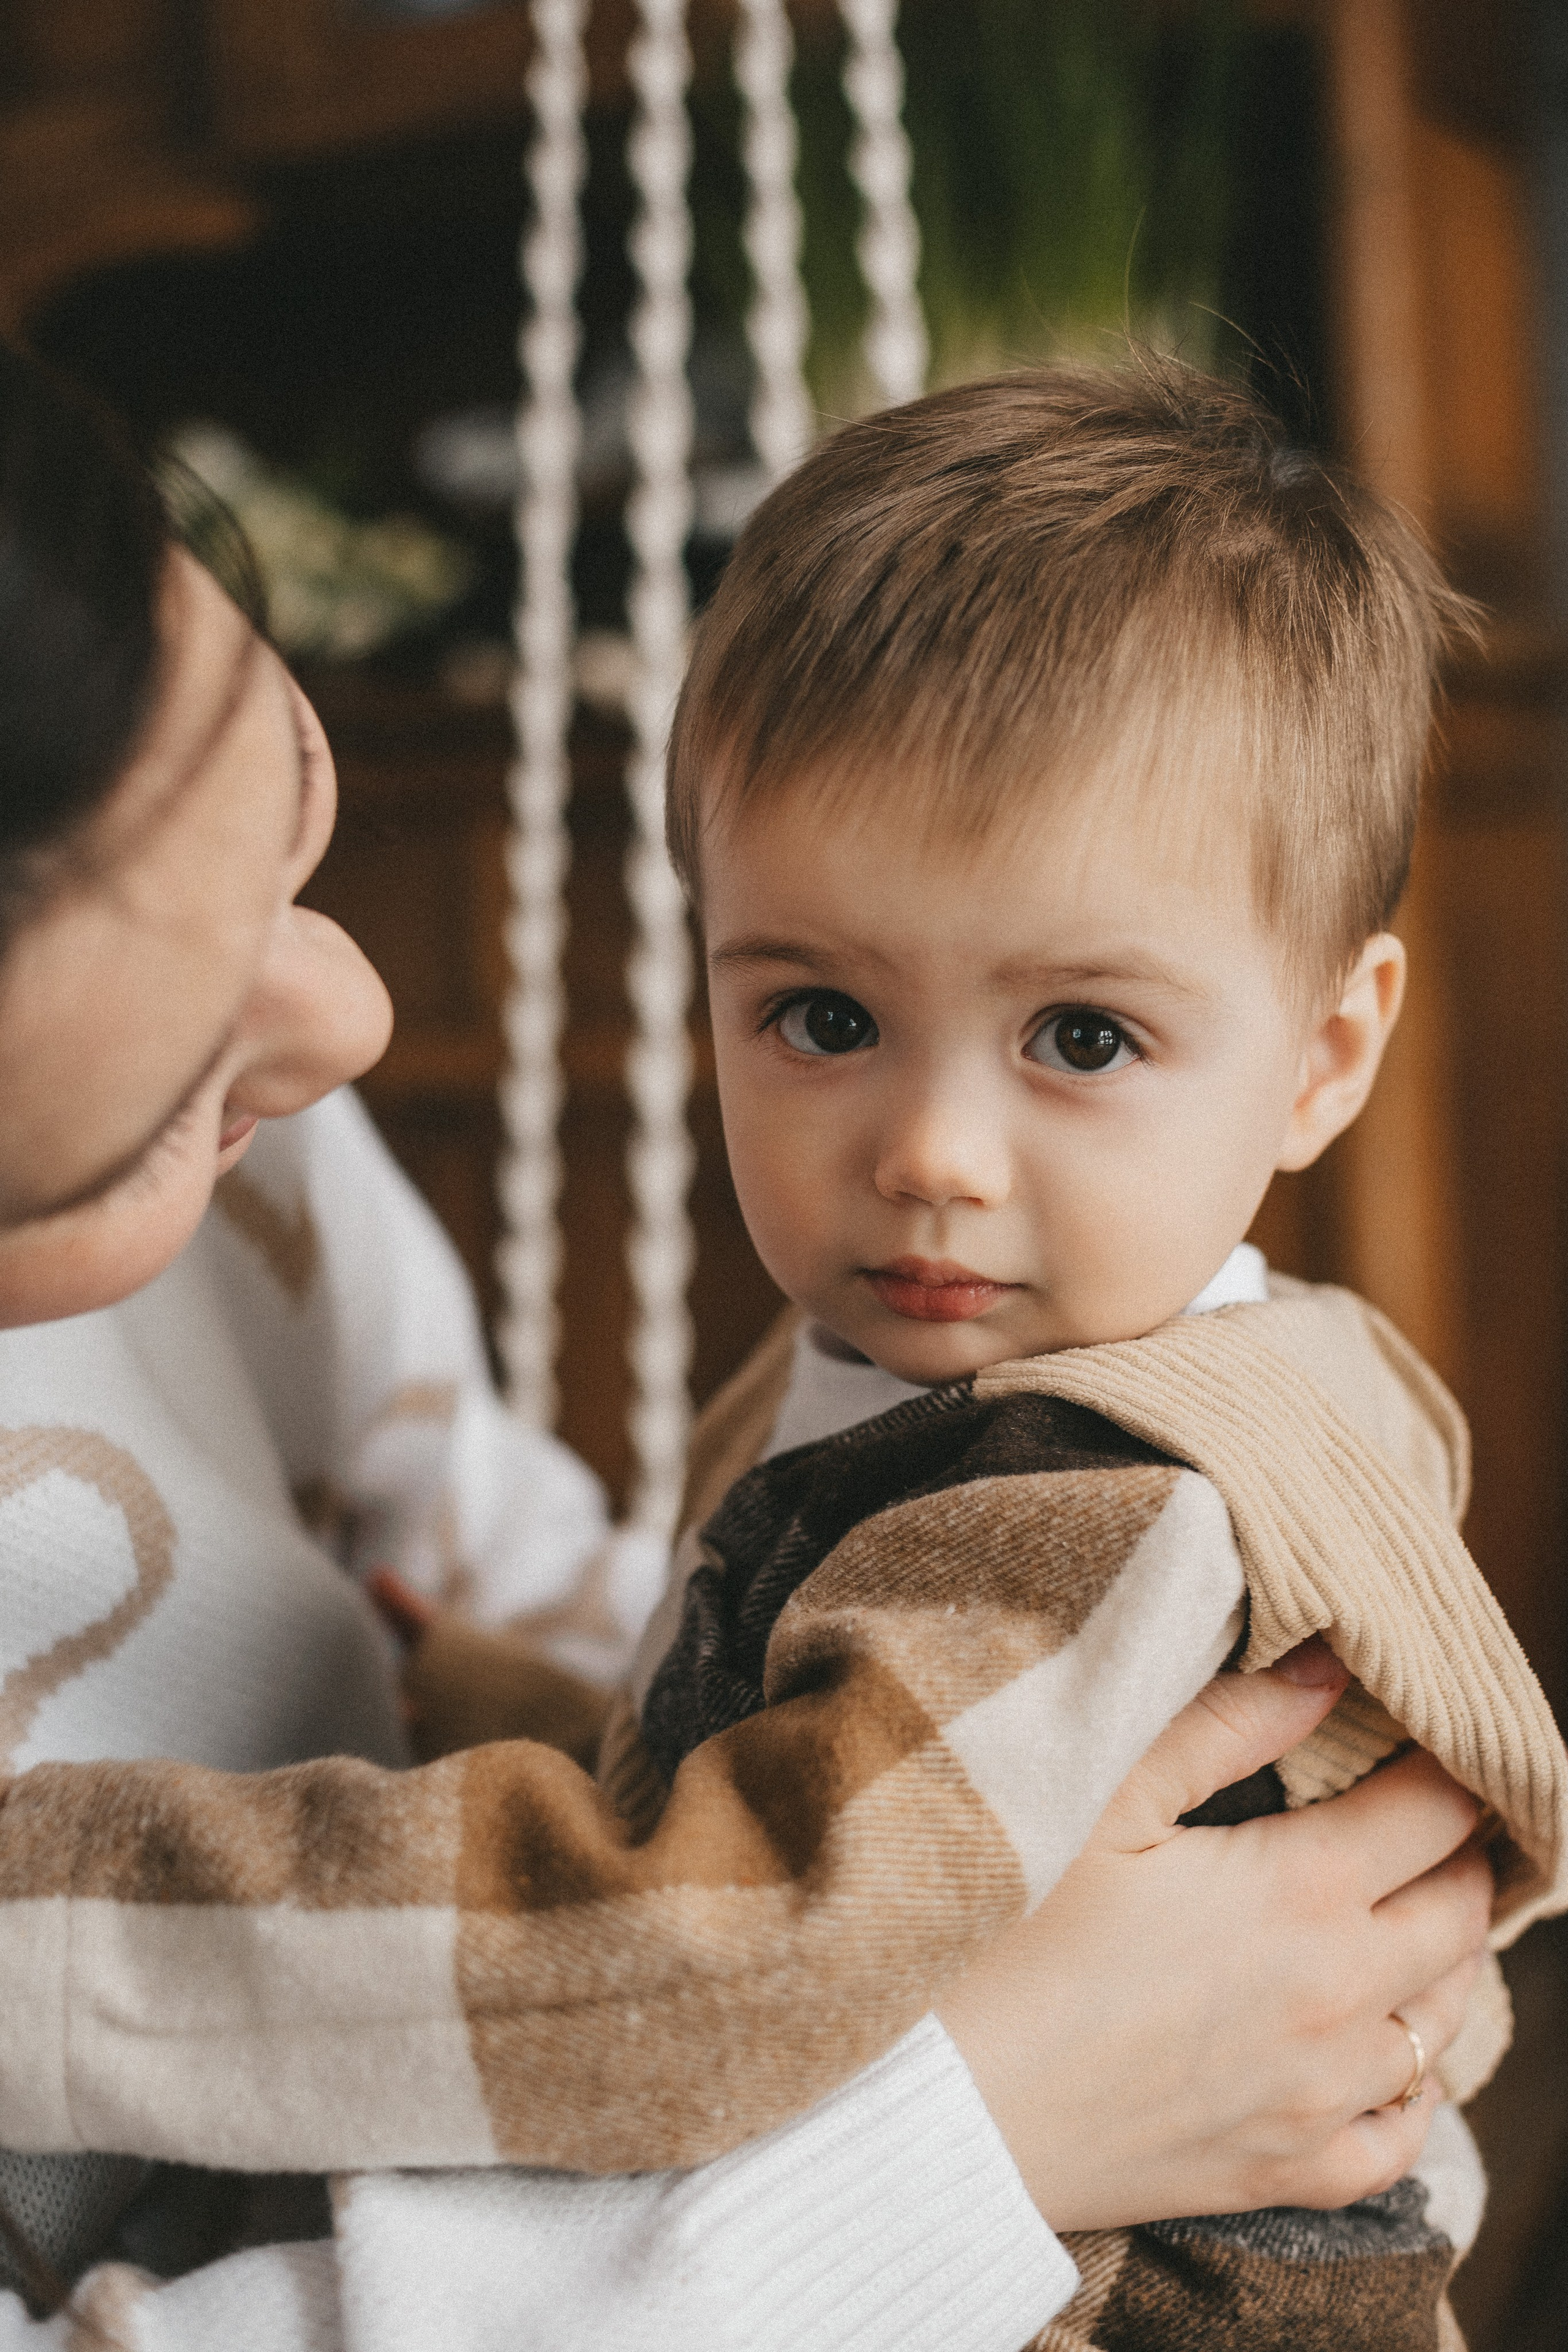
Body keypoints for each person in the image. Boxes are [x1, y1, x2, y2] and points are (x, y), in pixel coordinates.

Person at [0, 343, 1491, 2351]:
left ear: (1326, 1056)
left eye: (1082, 1039)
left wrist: (61, 1934)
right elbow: (826, 1758)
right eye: (819, 1017)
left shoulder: (1078, 1489)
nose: (932, 1160)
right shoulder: (950, 1380)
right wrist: (497, 1686)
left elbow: (718, 1949)